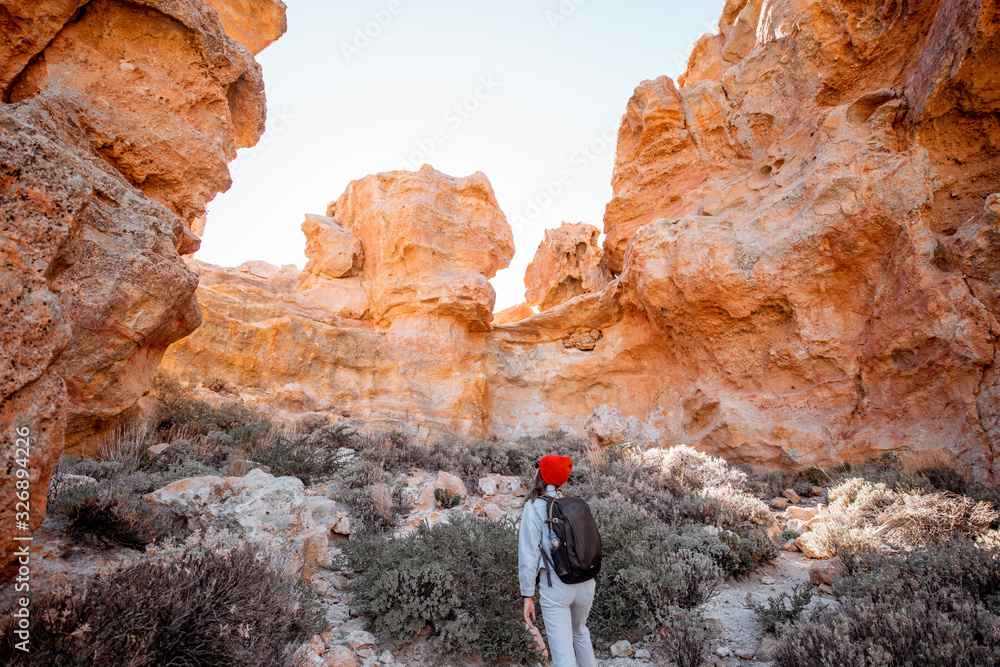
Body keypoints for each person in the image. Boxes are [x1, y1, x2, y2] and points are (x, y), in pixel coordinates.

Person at [518, 454, 597, 667]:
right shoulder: (573, 503)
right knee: (580, 633)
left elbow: (528, 555)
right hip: (586, 582)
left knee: (563, 656)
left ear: (541, 474)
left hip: (557, 585)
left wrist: (527, 595)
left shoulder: (534, 507)